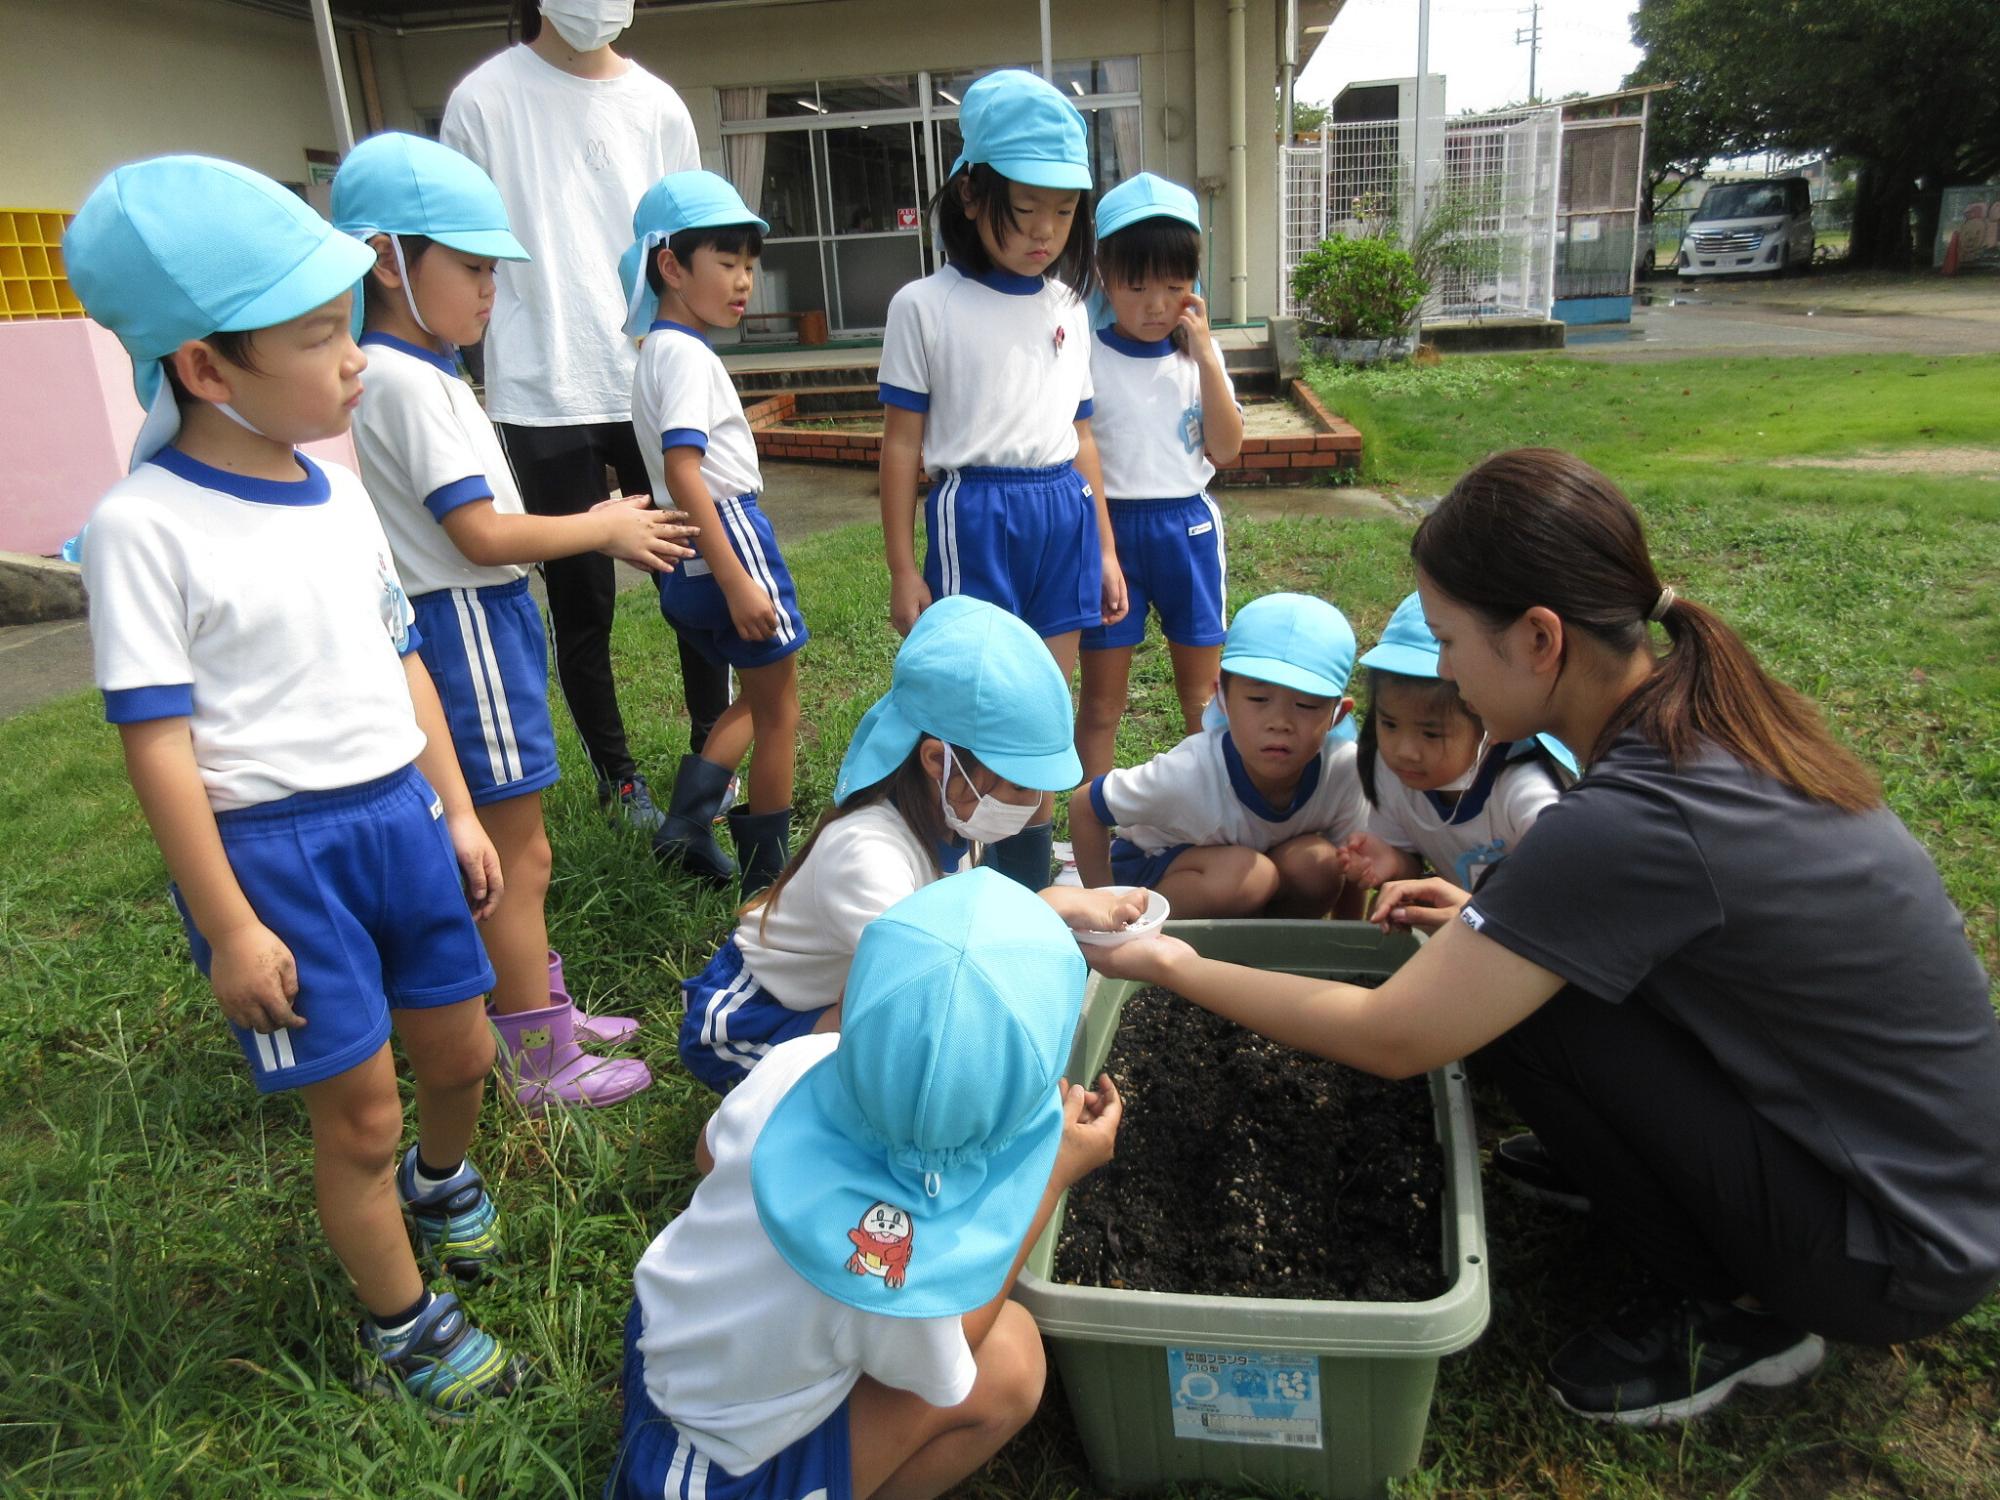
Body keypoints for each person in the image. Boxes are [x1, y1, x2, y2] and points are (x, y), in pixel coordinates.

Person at [1088, 447, 2000, 1427]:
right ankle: (1645, 1166)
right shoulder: (1686, 718)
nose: (1437, 670)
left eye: (1445, 639)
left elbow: (1394, 1038)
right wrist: (1497, 920)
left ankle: (1738, 1312)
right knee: (1509, 974)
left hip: (1889, 1246)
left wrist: (1173, 962)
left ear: (1536, 639)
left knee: (1506, 1007)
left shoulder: (1627, 815)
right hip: (1917, 1174)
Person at [65, 156, 523, 1412]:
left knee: (458, 1048)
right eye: (321, 336)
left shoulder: (336, 490)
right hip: (276, 856)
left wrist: (458, 807)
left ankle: (443, 1180)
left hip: (401, 821)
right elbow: (155, 744)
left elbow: (402, 658)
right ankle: (402, 1325)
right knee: (359, 1114)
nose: (356, 358)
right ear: (206, 368)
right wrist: (227, 927)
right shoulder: (142, 526)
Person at [334, 131, 685, 1108]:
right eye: (474, 267)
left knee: (511, 849)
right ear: (388, 263)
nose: (491, 290)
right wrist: (601, 526)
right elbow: (481, 533)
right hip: (467, 626)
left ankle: (536, 1007)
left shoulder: (418, 371)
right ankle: (537, 1060)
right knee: (514, 854)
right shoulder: (404, 381)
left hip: (478, 622)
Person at [609, 870, 1123, 1500]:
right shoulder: (887, 1280)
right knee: (1013, 1360)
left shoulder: (795, 1062)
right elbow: (955, 1347)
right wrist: (1052, 1179)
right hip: (712, 1471)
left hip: (661, 1335)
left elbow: (707, 1156)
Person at [441, 0, 730, 834]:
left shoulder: (660, 105)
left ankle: (711, 757)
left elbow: (690, 241)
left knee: (696, 574)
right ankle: (621, 780)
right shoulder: (484, 100)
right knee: (583, 598)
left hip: (651, 369)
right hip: (542, 385)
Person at [678, 595, 1146, 1094]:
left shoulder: (948, 816)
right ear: (936, 760)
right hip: (755, 1020)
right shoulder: (867, 853)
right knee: (904, 1065)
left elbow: (956, 938)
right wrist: (1049, 910)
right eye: (1018, 786)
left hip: (847, 988)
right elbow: (933, 982)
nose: (1033, 805)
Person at [878, 67, 1128, 889]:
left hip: (1063, 509)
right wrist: (903, 567)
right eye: (1026, 210)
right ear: (973, 196)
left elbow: (1082, 435)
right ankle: (945, 864)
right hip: (974, 512)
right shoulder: (924, 305)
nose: (1046, 231)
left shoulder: (1067, 305)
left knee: (1040, 709)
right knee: (967, 703)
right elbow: (901, 444)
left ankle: (1024, 880)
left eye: (1065, 211)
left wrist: (1104, 549)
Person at [619, 171, 807, 896]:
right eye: (725, 263)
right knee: (781, 705)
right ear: (671, 266)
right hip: (724, 531)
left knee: (759, 698)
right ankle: (770, 880)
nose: (744, 281)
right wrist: (737, 579)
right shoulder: (687, 355)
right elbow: (685, 467)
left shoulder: (658, 352)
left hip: (687, 547)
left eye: (749, 265)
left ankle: (688, 825)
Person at [1074, 173, 1243, 778]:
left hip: (1188, 532)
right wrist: (1101, 549)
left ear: (1194, 282)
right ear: (1103, 275)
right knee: (1101, 703)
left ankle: (1211, 810)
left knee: (1203, 699)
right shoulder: (1088, 354)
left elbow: (1225, 450)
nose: (1153, 305)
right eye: (1135, 284)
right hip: (1109, 534)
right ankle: (1094, 818)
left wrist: (1204, 359)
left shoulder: (1200, 356)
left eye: (1173, 286)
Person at [1069, 592, 1367, 918]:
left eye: (1306, 705)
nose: (1279, 723)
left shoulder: (1343, 770)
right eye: (1258, 699)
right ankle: (1161, 942)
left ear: (1337, 715)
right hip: (1161, 872)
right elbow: (1087, 805)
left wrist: (1357, 950)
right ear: (1221, 697)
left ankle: (1271, 950)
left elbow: (1353, 866)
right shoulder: (1189, 772)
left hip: (1255, 876)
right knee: (1250, 877)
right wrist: (1105, 904)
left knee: (1319, 864)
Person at [1335, 590, 1573, 919]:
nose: (1405, 751)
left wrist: (1478, 920)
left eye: (1431, 733)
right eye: (1388, 723)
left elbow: (1572, 888)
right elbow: (1408, 861)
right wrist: (1393, 860)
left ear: (1485, 717)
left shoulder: (1525, 792)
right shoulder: (1389, 772)